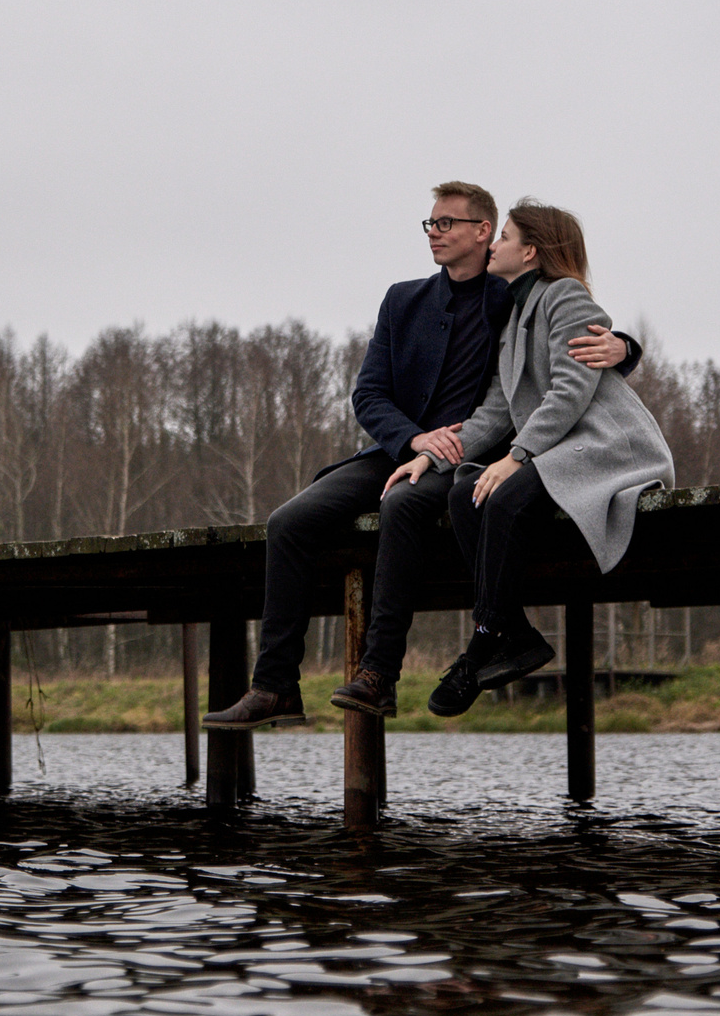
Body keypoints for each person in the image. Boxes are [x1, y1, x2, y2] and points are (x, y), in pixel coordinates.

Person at [201, 182, 639, 730]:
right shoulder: (402, 300)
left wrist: (625, 347)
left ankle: (377, 676)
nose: (434, 233)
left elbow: (570, 334)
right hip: (399, 447)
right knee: (289, 522)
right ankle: (274, 688)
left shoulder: (510, 295)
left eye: (446, 223)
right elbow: (368, 394)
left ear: (483, 231)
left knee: (403, 505)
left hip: (471, 452)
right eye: (430, 223)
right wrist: (414, 440)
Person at [379, 198, 674, 716]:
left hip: (605, 446)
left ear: (531, 251)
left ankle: (481, 646)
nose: (495, 245)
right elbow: (497, 410)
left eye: (505, 237)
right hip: (560, 448)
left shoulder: (566, 297)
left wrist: (517, 456)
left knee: (504, 496)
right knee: (467, 493)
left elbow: (569, 391)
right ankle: (514, 633)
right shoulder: (514, 316)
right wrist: (435, 457)